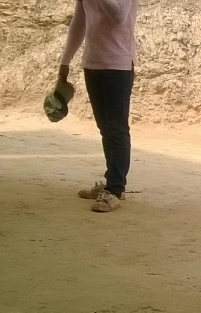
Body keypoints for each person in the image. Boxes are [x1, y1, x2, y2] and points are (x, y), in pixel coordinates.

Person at [58, 0, 138, 213]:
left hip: (118, 64)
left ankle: (115, 189)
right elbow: (79, 22)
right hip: (92, 63)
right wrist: (65, 62)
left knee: (117, 128)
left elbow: (119, 16)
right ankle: (110, 180)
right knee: (105, 128)